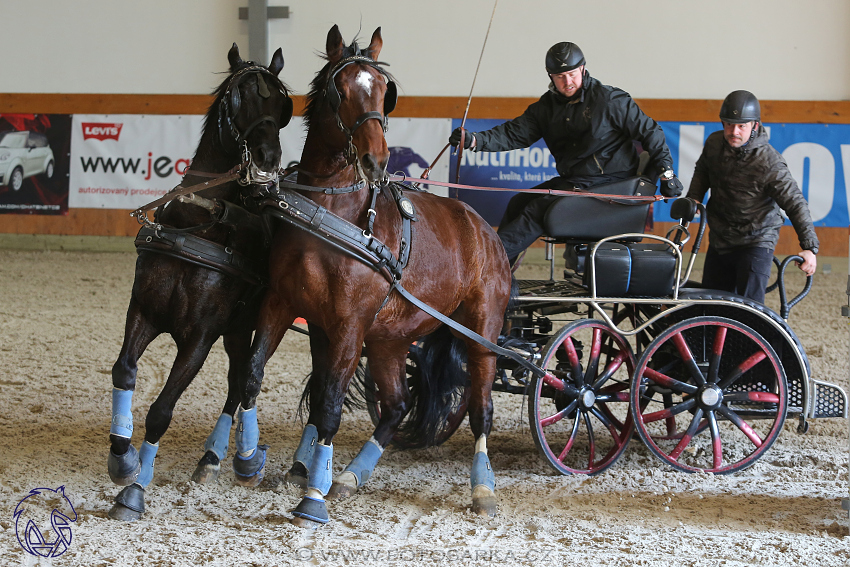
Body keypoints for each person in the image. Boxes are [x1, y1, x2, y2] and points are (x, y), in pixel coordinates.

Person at [448, 41, 683, 265]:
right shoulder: (546, 107)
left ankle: (483, 268)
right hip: (576, 182)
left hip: (612, 186)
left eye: (572, 73)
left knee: (537, 211)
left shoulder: (610, 100)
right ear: (550, 76)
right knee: (519, 202)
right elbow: (513, 133)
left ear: (583, 68)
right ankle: (501, 278)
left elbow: (651, 132)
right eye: (560, 77)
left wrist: (667, 173)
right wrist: (474, 139)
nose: (567, 81)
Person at [688, 90, 818, 304]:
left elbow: (795, 203)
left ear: (755, 125)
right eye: (729, 124)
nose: (734, 131)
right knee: (711, 306)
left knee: (749, 310)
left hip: (756, 239)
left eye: (742, 126)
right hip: (720, 237)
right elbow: (703, 170)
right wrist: (693, 199)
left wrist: (809, 247)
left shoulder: (769, 162)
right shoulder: (713, 143)